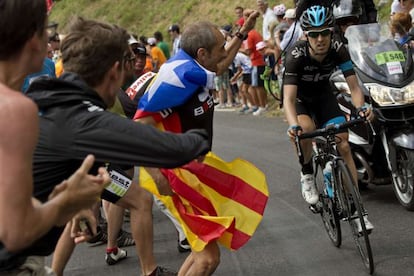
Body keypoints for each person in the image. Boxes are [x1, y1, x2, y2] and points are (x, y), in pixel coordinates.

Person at [25, 16, 210, 276]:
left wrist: (75, 205)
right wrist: (200, 139)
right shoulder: (83, 118)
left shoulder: (46, 98)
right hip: (14, 261)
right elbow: (172, 148)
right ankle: (149, 270)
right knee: (141, 200)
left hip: (21, 248)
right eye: (126, 65)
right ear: (114, 71)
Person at [134, 11, 265, 276]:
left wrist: (243, 31)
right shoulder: (178, 77)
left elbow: (223, 62)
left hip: (192, 170)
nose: (223, 53)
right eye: (219, 48)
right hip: (175, 175)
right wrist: (158, 174)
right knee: (207, 259)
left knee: (200, 253)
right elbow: (138, 125)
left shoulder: (197, 67)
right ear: (202, 52)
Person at [0, 0, 110, 274]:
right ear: (34, 40)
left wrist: (63, 207)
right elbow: (17, 232)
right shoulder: (15, 109)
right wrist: (67, 201)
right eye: (46, 31)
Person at [283, 5, 374, 233]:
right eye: (314, 34)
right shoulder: (296, 55)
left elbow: (354, 86)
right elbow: (288, 99)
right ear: (306, 35)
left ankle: (356, 210)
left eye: (324, 32)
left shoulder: (337, 48)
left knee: (343, 141)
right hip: (300, 99)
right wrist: (293, 125)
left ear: (331, 32)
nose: (320, 39)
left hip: (323, 96)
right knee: (306, 129)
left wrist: (361, 107)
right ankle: (306, 173)